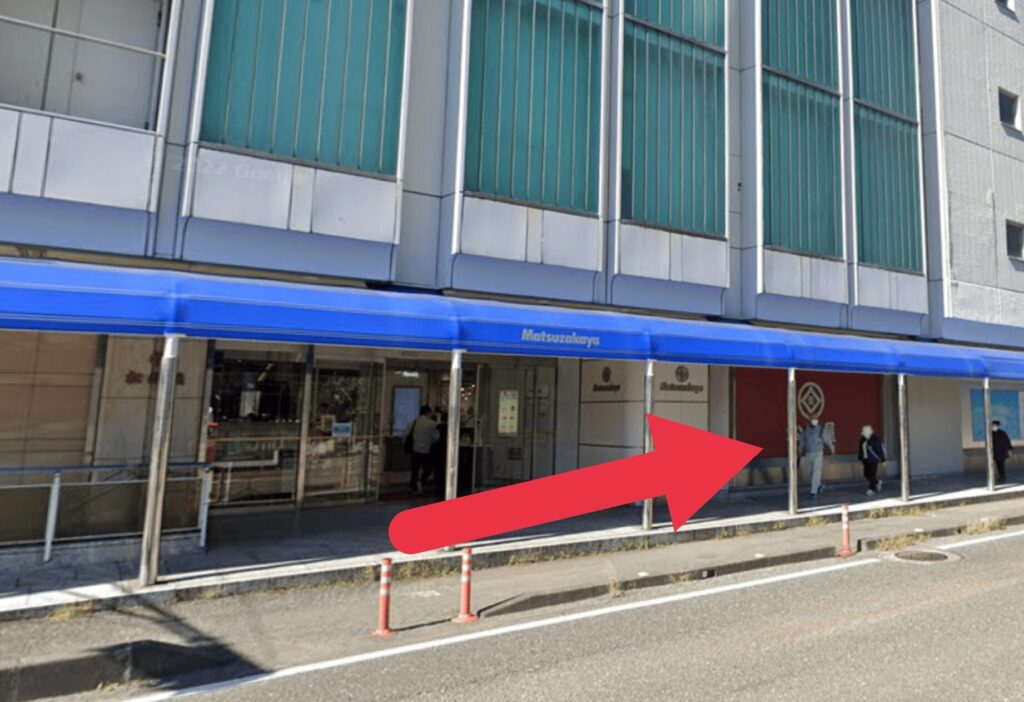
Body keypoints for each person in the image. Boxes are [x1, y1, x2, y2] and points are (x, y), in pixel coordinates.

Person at [404, 405, 439, 494]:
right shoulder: (432, 424)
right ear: (428, 413)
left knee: (415, 470)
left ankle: (414, 487)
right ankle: (422, 482)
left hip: (415, 450)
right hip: (427, 450)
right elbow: (436, 437)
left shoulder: (413, 422)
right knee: (428, 468)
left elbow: (405, 434)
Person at [799, 415, 835, 499]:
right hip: (809, 453)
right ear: (810, 420)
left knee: (816, 472)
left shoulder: (821, 429)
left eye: (816, 419)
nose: (815, 420)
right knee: (810, 472)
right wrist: (800, 450)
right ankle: (819, 485)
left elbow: (827, 438)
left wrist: (832, 447)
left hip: (818, 452)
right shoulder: (806, 429)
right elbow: (802, 440)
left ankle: (813, 492)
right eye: (813, 419)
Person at [859, 425, 886, 496]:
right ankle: (877, 482)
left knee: (872, 475)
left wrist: (883, 460)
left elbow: (880, 450)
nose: (862, 433)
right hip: (865, 460)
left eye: (864, 431)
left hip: (873, 460)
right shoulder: (863, 439)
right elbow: (860, 450)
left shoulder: (876, 439)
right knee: (866, 474)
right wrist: (860, 458)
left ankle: (871, 489)